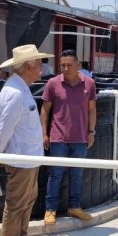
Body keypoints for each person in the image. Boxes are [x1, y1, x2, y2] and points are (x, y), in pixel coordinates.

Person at [0, 45, 53, 236]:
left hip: (28, 159)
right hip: (20, 160)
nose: (42, 68)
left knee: (26, 202)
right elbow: (5, 129)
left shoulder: (22, 88)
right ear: (28, 66)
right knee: (16, 204)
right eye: (38, 64)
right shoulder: (15, 93)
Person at [41, 49, 97, 224]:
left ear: (78, 65)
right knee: (55, 174)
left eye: (69, 65)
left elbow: (92, 109)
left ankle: (74, 207)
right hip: (58, 138)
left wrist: (91, 132)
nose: (65, 69)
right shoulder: (52, 83)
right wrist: (44, 134)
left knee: (77, 174)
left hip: (80, 138)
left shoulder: (89, 84)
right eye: (62, 65)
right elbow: (45, 110)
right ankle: (50, 210)